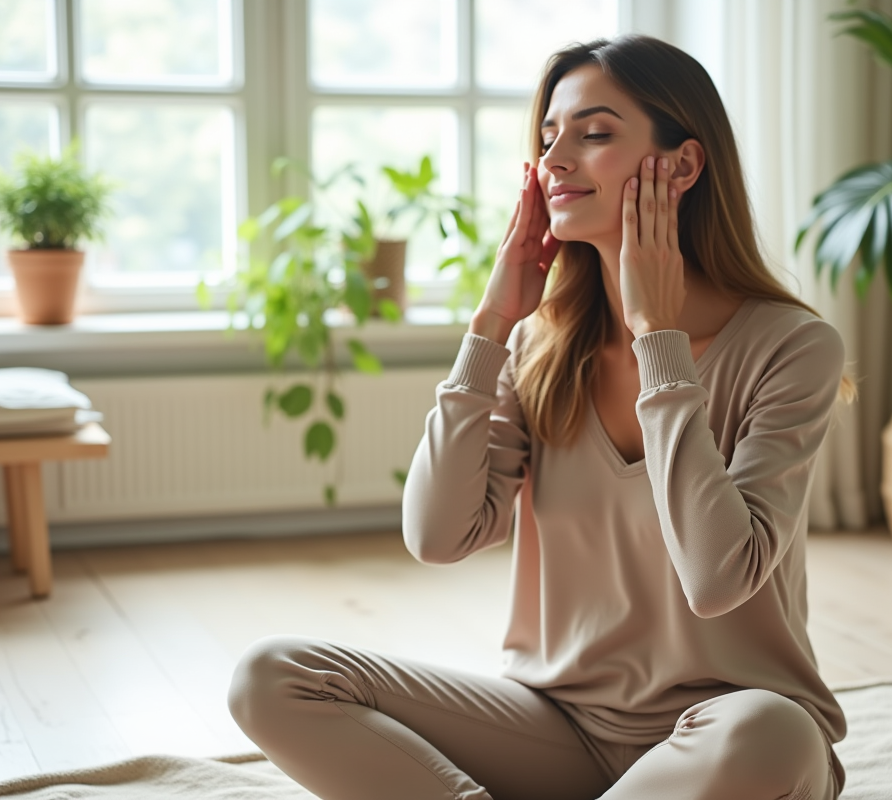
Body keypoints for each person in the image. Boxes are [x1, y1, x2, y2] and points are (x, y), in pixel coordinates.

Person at [228, 33, 855, 800]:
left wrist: (659, 342)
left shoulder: (793, 347)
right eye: (548, 137)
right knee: (273, 677)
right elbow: (437, 534)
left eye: (593, 134)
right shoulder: (539, 345)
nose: (555, 159)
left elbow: (719, 578)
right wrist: (491, 324)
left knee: (773, 730)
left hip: (726, 737)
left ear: (684, 166)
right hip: (561, 731)